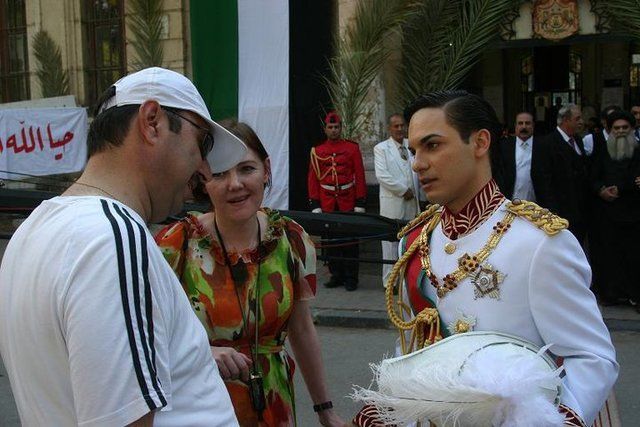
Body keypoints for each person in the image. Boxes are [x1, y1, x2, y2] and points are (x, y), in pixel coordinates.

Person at [353, 90, 617, 427]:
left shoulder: (539, 243)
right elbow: (414, 350)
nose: (417, 163)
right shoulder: (415, 241)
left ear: (479, 143)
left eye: (432, 145)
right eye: (414, 150)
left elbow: (592, 357)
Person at [0, 67, 247, 426]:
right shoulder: (113, 237)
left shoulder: (31, 232)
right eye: (203, 143)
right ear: (152, 122)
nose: (206, 170)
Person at [155, 119, 344, 426]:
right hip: (201, 404)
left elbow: (302, 329)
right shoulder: (176, 244)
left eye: (246, 169)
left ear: (266, 170)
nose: (235, 184)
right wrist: (200, 352)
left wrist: (325, 410)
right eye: (219, 173)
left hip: (274, 404)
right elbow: (145, 333)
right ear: (202, 180)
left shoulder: (291, 239)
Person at [308, 111, 367, 291]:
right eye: (330, 127)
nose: (333, 130)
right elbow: (313, 179)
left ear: (341, 128)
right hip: (327, 202)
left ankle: (351, 278)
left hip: (347, 200)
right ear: (325, 129)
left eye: (336, 127)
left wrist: (360, 202)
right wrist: (315, 203)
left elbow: (360, 175)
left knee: (350, 242)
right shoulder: (317, 151)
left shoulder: (352, 148)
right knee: (331, 242)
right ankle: (336, 275)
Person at [590, 110, 640, 309]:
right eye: (616, 128)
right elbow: (592, 176)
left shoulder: (638, 151)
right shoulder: (602, 151)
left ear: (631, 129)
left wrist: (623, 188)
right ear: (610, 130)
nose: (620, 131)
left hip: (634, 215)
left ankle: (635, 295)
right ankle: (612, 294)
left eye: (624, 127)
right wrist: (601, 190)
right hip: (608, 214)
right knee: (610, 257)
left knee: (634, 257)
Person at [374, 114, 420, 287]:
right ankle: (389, 283)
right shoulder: (381, 148)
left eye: (402, 125)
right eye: (396, 126)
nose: (400, 129)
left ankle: (405, 281)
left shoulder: (412, 145)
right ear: (389, 128)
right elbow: (382, 176)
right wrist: (403, 190)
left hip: (412, 203)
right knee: (390, 246)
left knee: (408, 244)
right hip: (393, 203)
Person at [533, 103, 590, 244]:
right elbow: (542, 181)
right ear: (565, 120)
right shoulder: (547, 143)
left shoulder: (577, 140)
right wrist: (552, 213)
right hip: (561, 212)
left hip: (580, 211)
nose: (581, 122)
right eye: (577, 119)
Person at [497, 111, 543, 201]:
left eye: (527, 123)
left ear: (533, 125)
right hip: (510, 202)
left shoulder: (543, 146)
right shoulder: (504, 147)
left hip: (537, 203)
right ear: (515, 126)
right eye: (520, 123)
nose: (524, 127)